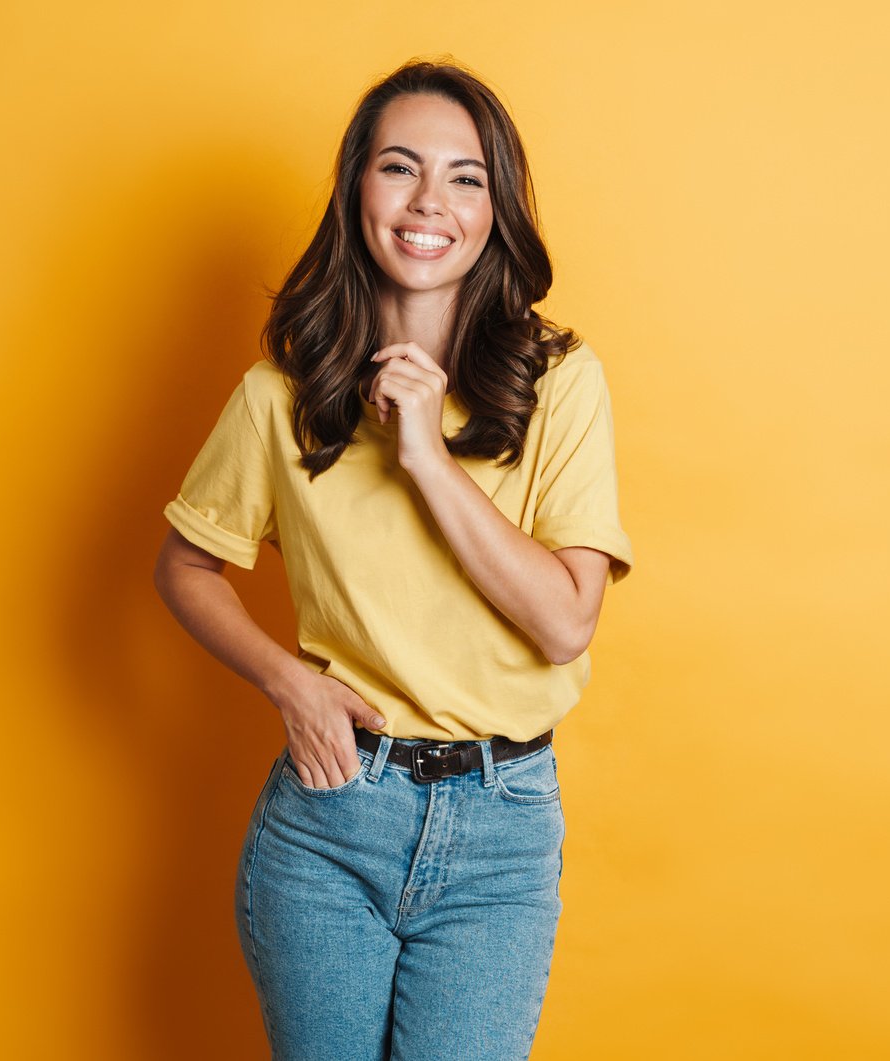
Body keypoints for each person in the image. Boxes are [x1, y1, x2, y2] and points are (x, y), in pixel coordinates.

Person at [151, 57, 633, 1061]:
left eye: (465, 177)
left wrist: (423, 453)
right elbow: (184, 567)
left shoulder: (561, 384)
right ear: (355, 190)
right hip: (330, 818)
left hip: (501, 831)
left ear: (496, 208)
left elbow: (564, 620)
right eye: (398, 168)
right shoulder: (279, 395)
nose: (428, 202)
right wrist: (289, 682)